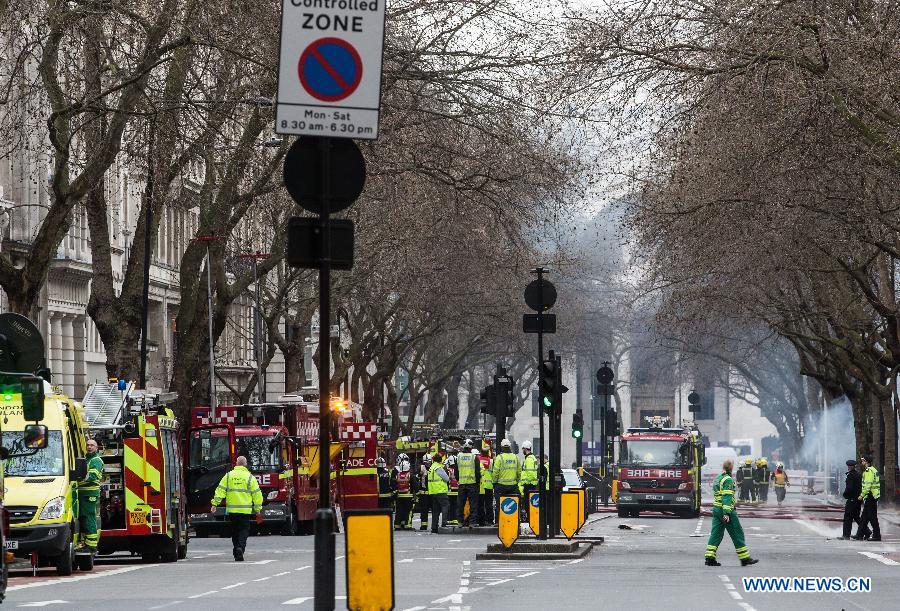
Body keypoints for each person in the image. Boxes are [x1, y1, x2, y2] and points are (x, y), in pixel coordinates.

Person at [705, 459, 758, 567]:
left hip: (716, 509)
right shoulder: (728, 480)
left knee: (716, 534)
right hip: (725, 509)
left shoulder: (718, 478)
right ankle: (744, 558)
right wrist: (727, 513)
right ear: (731, 468)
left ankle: (709, 558)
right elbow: (727, 497)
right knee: (737, 533)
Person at [211, 456, 263, 561]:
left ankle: (236, 550)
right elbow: (257, 495)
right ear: (245, 464)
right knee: (244, 530)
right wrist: (258, 510)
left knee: (235, 531)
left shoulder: (228, 476)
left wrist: (214, 504)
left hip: (232, 511)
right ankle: (240, 548)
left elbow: (220, 490)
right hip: (245, 511)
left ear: (236, 463)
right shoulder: (250, 477)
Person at [77, 438, 105, 553]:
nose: (89, 447)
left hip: (90, 493)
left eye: (92, 445)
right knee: (84, 517)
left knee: (89, 517)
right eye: (88, 445)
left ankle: (92, 546)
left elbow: (92, 476)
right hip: (83, 493)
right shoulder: (87, 460)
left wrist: (78, 479)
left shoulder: (96, 460)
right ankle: (86, 543)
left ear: (96, 448)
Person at [492, 439, 520, 521]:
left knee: (499, 504)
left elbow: (495, 472)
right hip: (513, 486)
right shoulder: (515, 457)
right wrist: (516, 481)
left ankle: (498, 522)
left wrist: (495, 482)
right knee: (514, 503)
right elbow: (519, 472)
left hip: (501, 486)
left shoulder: (499, 458)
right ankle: (514, 521)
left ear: (502, 447)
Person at [855, 456, 881, 541]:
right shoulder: (873, 470)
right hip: (872, 496)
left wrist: (862, 495)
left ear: (866, 462)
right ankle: (859, 535)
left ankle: (877, 535)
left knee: (872, 517)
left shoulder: (869, 471)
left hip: (871, 496)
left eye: (863, 461)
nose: (862, 462)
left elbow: (867, 485)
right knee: (864, 517)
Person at [456, 440, 480, 527]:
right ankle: (472, 522)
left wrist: (459, 480)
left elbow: (456, 471)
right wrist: (477, 483)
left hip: (462, 484)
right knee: (473, 504)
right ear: (471, 448)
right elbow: (477, 472)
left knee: (460, 504)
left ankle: (460, 522)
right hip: (472, 484)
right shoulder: (474, 458)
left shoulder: (458, 457)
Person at [391, 453, 417, 529]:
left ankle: (397, 525)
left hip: (399, 496)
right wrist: (417, 494)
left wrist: (395, 492)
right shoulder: (409, 474)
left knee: (399, 511)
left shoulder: (397, 473)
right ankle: (407, 525)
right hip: (408, 496)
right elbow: (415, 485)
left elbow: (393, 483)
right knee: (408, 511)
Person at [841, 459, 865, 540]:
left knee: (848, 517)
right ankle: (867, 532)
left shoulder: (851, 476)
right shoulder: (858, 475)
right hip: (858, 499)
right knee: (856, 516)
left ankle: (846, 535)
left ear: (849, 467)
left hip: (852, 499)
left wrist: (845, 495)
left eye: (849, 466)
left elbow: (849, 488)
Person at [428, 453, 450, 533]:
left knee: (435, 510)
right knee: (445, 506)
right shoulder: (438, 468)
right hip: (440, 491)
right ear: (440, 460)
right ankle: (444, 524)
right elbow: (446, 479)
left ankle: (434, 527)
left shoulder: (431, 467)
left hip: (433, 492)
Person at [519, 440, 538, 521]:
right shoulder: (532, 458)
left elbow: (530, 473)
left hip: (529, 485)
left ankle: (529, 519)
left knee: (527, 504)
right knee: (529, 504)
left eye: (523, 449)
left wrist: (525, 482)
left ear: (525, 449)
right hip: (531, 485)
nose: (522, 450)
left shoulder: (529, 459)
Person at [417, 454, 433, 531]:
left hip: (433, 492)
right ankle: (424, 525)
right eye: (425, 462)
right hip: (423, 493)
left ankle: (434, 525)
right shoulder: (421, 468)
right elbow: (416, 479)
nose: (427, 464)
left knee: (434, 510)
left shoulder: (434, 467)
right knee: (424, 510)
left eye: (428, 462)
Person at [445, 449, 460, 526]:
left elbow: (446, 480)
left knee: (450, 505)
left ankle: (450, 519)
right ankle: (455, 519)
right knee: (456, 505)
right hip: (457, 489)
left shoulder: (448, 470)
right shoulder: (458, 469)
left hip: (450, 490)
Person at [479, 450, 494, 525]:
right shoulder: (491, 461)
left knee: (481, 504)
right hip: (489, 485)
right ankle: (490, 520)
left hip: (481, 486)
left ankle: (481, 521)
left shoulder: (478, 460)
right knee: (489, 504)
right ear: (488, 453)